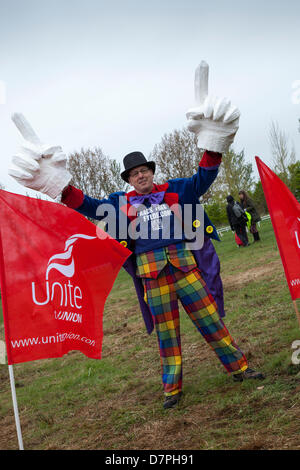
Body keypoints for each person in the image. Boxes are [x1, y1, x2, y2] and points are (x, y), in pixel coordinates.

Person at [8, 64, 265, 410]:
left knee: (210, 321)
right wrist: (60, 187)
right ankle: (172, 389)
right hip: (151, 274)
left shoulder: (176, 191)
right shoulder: (119, 203)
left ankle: (239, 367)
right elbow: (89, 206)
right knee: (167, 334)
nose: (141, 176)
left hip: (186, 268)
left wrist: (214, 144)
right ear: (129, 179)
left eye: (144, 170)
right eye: (134, 173)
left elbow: (204, 176)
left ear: (151, 173)